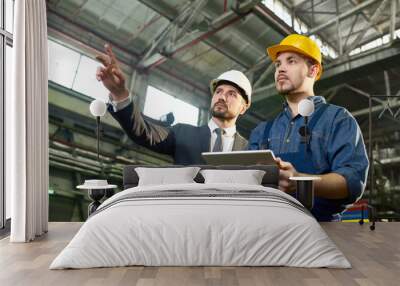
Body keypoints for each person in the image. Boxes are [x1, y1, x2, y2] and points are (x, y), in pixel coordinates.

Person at [248, 34, 369, 221]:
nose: (281, 69)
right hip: (267, 229)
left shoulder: (337, 119)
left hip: (321, 230)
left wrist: (299, 181)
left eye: (291, 61)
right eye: (278, 64)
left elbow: (352, 182)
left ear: (313, 70)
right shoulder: (262, 131)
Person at [96, 44, 252, 165]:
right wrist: (119, 94)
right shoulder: (182, 133)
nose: (222, 97)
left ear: (244, 107)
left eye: (231, 94)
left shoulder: (251, 150)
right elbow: (143, 131)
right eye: (218, 91)